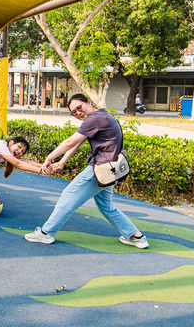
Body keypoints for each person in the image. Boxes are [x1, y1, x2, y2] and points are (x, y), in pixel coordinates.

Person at [24, 93, 149, 248]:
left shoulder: (95, 119)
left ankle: (46, 233)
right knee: (106, 206)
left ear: (89, 102)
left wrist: (48, 158)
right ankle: (135, 236)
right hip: (110, 170)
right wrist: (62, 162)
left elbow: (70, 142)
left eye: (79, 107)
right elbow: (77, 142)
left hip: (99, 169)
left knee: (68, 196)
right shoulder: (101, 116)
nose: (78, 113)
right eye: (74, 112)